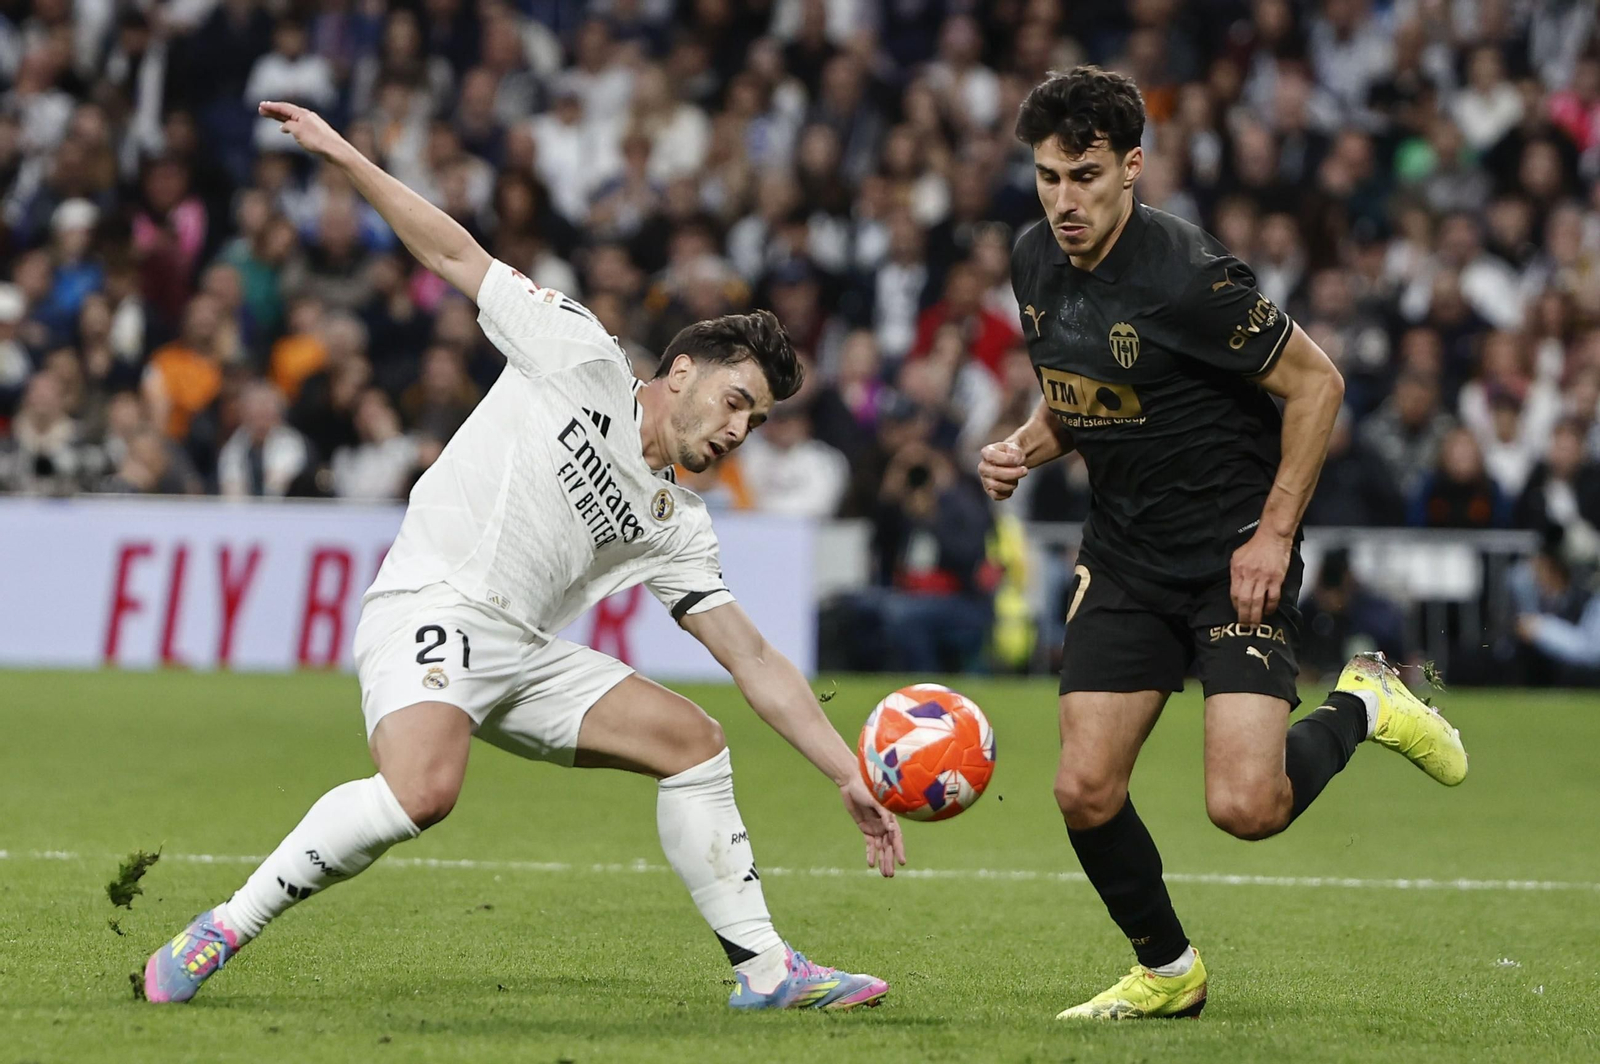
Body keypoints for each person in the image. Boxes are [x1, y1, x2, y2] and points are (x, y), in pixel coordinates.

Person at [143, 100, 901, 1013]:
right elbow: (455, 252)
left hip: (519, 655)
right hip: (432, 600)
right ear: (683, 371)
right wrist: (345, 155)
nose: (740, 429)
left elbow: (752, 659)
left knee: (696, 747)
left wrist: (847, 772)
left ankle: (767, 973)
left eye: (758, 419)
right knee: (425, 792)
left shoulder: (676, 519)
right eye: (736, 401)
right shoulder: (576, 353)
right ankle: (222, 926)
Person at [978, 68, 1468, 1021]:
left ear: (1132, 168)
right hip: (1123, 553)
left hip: (1232, 554)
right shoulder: (1033, 259)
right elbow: (1081, 391)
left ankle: (1366, 704)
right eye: (1047, 177)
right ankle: (1168, 972)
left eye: (1084, 176)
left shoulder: (1188, 275)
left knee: (1248, 809)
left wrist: (1274, 537)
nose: (1063, 201)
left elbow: (1317, 385)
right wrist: (1026, 448)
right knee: (1083, 787)